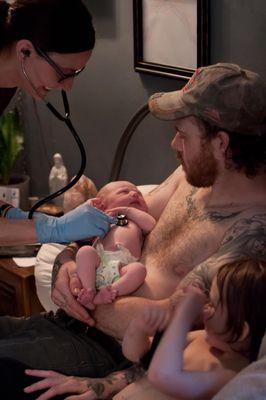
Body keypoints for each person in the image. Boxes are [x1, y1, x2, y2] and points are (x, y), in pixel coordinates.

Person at [0, 62, 265, 399]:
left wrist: (108, 385)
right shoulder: (190, 178)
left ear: (221, 144)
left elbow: (195, 337)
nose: (174, 144)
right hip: (65, 322)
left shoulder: (251, 234)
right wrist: (68, 263)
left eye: (183, 134)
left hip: (104, 352)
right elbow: (112, 221)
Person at [0, 0, 114, 246]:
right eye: (64, 73)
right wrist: (53, 228)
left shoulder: (8, 84)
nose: (68, 86)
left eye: (76, 73)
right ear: (24, 52)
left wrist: (15, 217)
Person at [121, 259, 266, 400]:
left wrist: (184, 314)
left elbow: (163, 376)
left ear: (240, 331)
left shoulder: (230, 376)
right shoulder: (202, 337)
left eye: (213, 304)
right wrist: (138, 328)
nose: (204, 307)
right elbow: (137, 355)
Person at [76, 181, 156, 309]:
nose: (135, 193)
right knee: (85, 251)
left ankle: (108, 292)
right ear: (102, 204)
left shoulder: (137, 221)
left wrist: (127, 211)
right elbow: (81, 235)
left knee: (139, 270)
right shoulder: (102, 220)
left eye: (139, 194)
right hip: (98, 264)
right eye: (124, 191)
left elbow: (151, 225)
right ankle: (89, 290)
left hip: (122, 269)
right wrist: (92, 213)